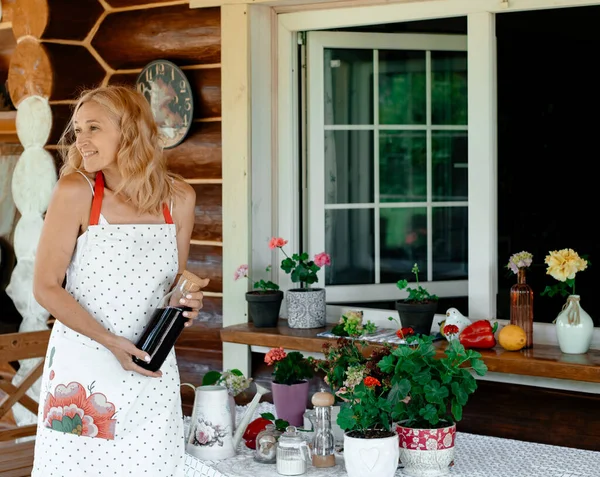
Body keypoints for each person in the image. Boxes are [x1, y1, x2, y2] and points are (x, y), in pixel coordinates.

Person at [31, 85, 203, 476]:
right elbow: (45, 286)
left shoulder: (179, 198)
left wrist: (188, 301)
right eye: (78, 130)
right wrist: (111, 343)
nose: (82, 141)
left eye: (94, 128)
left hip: (150, 370)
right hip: (83, 376)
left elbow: (173, 287)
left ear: (130, 131)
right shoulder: (77, 191)